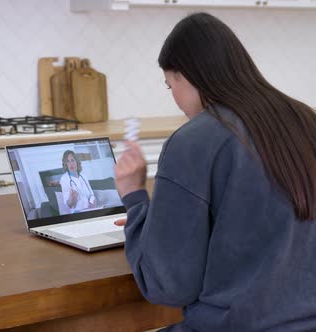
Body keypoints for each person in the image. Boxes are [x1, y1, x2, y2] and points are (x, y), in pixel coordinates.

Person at [114, 12, 316, 331]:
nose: (176, 100)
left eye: (170, 86)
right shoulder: (307, 119)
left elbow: (168, 286)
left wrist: (135, 198)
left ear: (186, 75)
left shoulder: (195, 140)